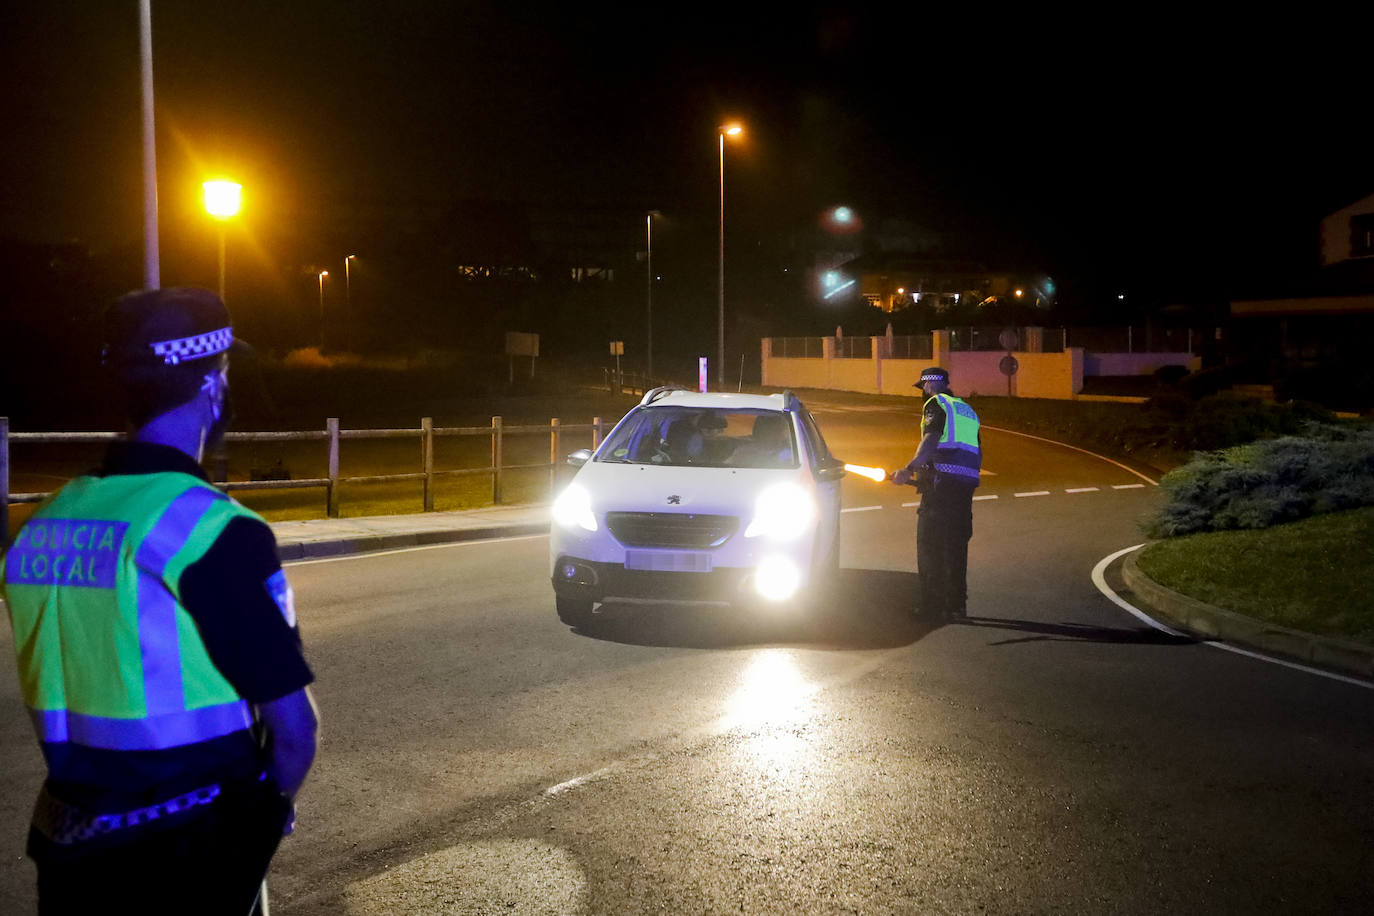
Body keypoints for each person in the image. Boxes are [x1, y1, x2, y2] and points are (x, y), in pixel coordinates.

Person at [1, 287, 319, 915]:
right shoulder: (210, 530)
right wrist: (264, 822)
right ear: (213, 385)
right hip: (189, 858)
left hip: (69, 847)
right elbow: (295, 731)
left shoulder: (43, 523)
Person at [890, 367, 982, 620]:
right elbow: (975, 449)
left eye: (923, 386)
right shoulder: (966, 410)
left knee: (929, 545)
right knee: (955, 547)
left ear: (932, 384)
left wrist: (909, 470)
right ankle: (956, 606)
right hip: (965, 486)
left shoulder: (936, 404)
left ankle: (931, 606)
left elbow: (931, 440)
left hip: (941, 487)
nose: (923, 392)